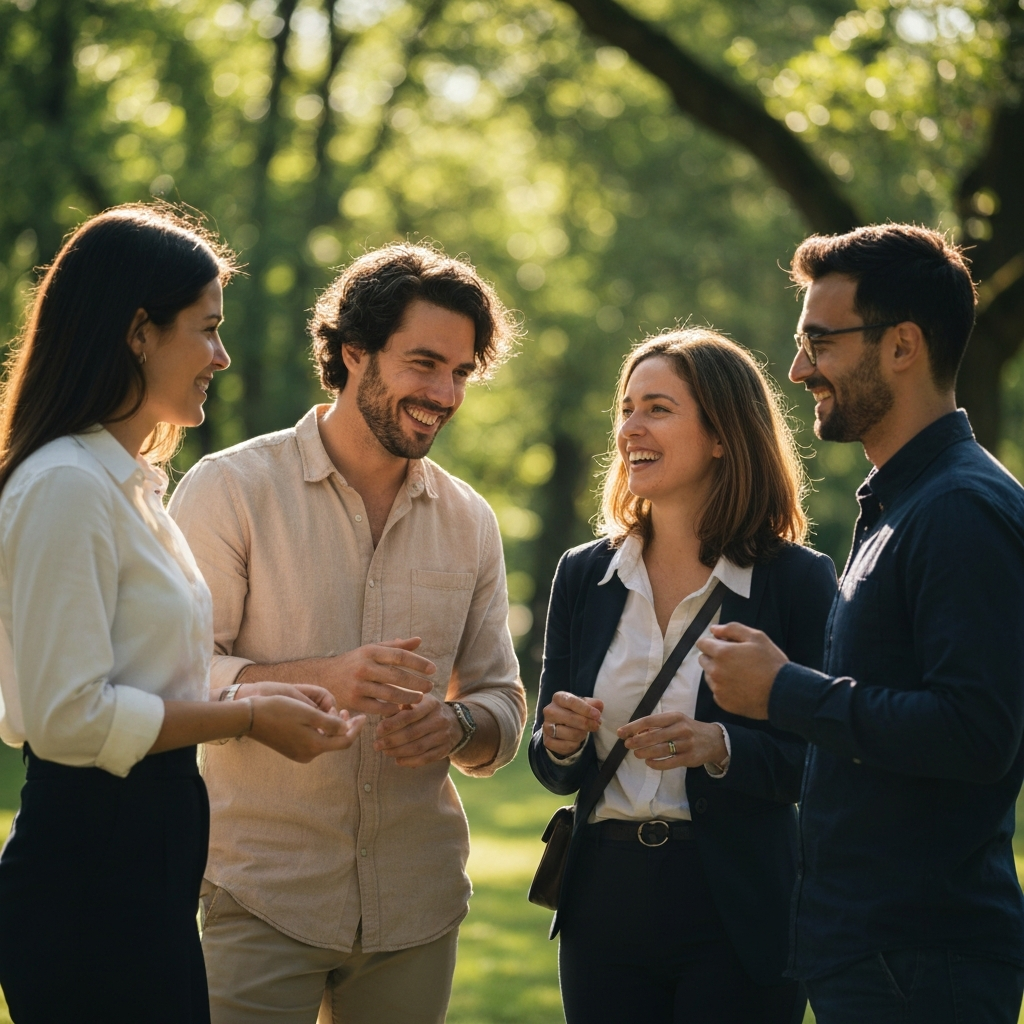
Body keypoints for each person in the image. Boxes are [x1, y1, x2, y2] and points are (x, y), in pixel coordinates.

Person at [0, 205, 365, 1024]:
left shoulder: (132, 484)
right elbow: (67, 719)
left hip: (144, 856)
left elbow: (145, 676)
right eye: (206, 330)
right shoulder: (66, 485)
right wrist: (241, 720)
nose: (221, 356)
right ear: (138, 331)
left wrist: (247, 704)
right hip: (91, 868)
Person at [168, 242, 528, 1024]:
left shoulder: (470, 521)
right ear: (351, 353)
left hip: (416, 908)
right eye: (424, 364)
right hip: (262, 895)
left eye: (461, 373)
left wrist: (458, 724)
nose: (444, 394)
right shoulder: (230, 489)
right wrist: (323, 678)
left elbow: (501, 703)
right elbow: (173, 676)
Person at [699, 224, 1024, 1024]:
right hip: (875, 955)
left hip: (920, 962)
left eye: (820, 341)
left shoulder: (959, 512)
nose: (798, 368)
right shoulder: (902, 503)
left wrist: (785, 693)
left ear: (902, 346)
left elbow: (980, 732)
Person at [529, 328, 837, 1024]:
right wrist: (561, 741)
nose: (630, 426)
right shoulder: (585, 574)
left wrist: (720, 748)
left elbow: (828, 759)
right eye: (627, 407)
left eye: (658, 408)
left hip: (737, 904)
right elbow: (552, 766)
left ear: (724, 435)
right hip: (602, 903)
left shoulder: (797, 581)